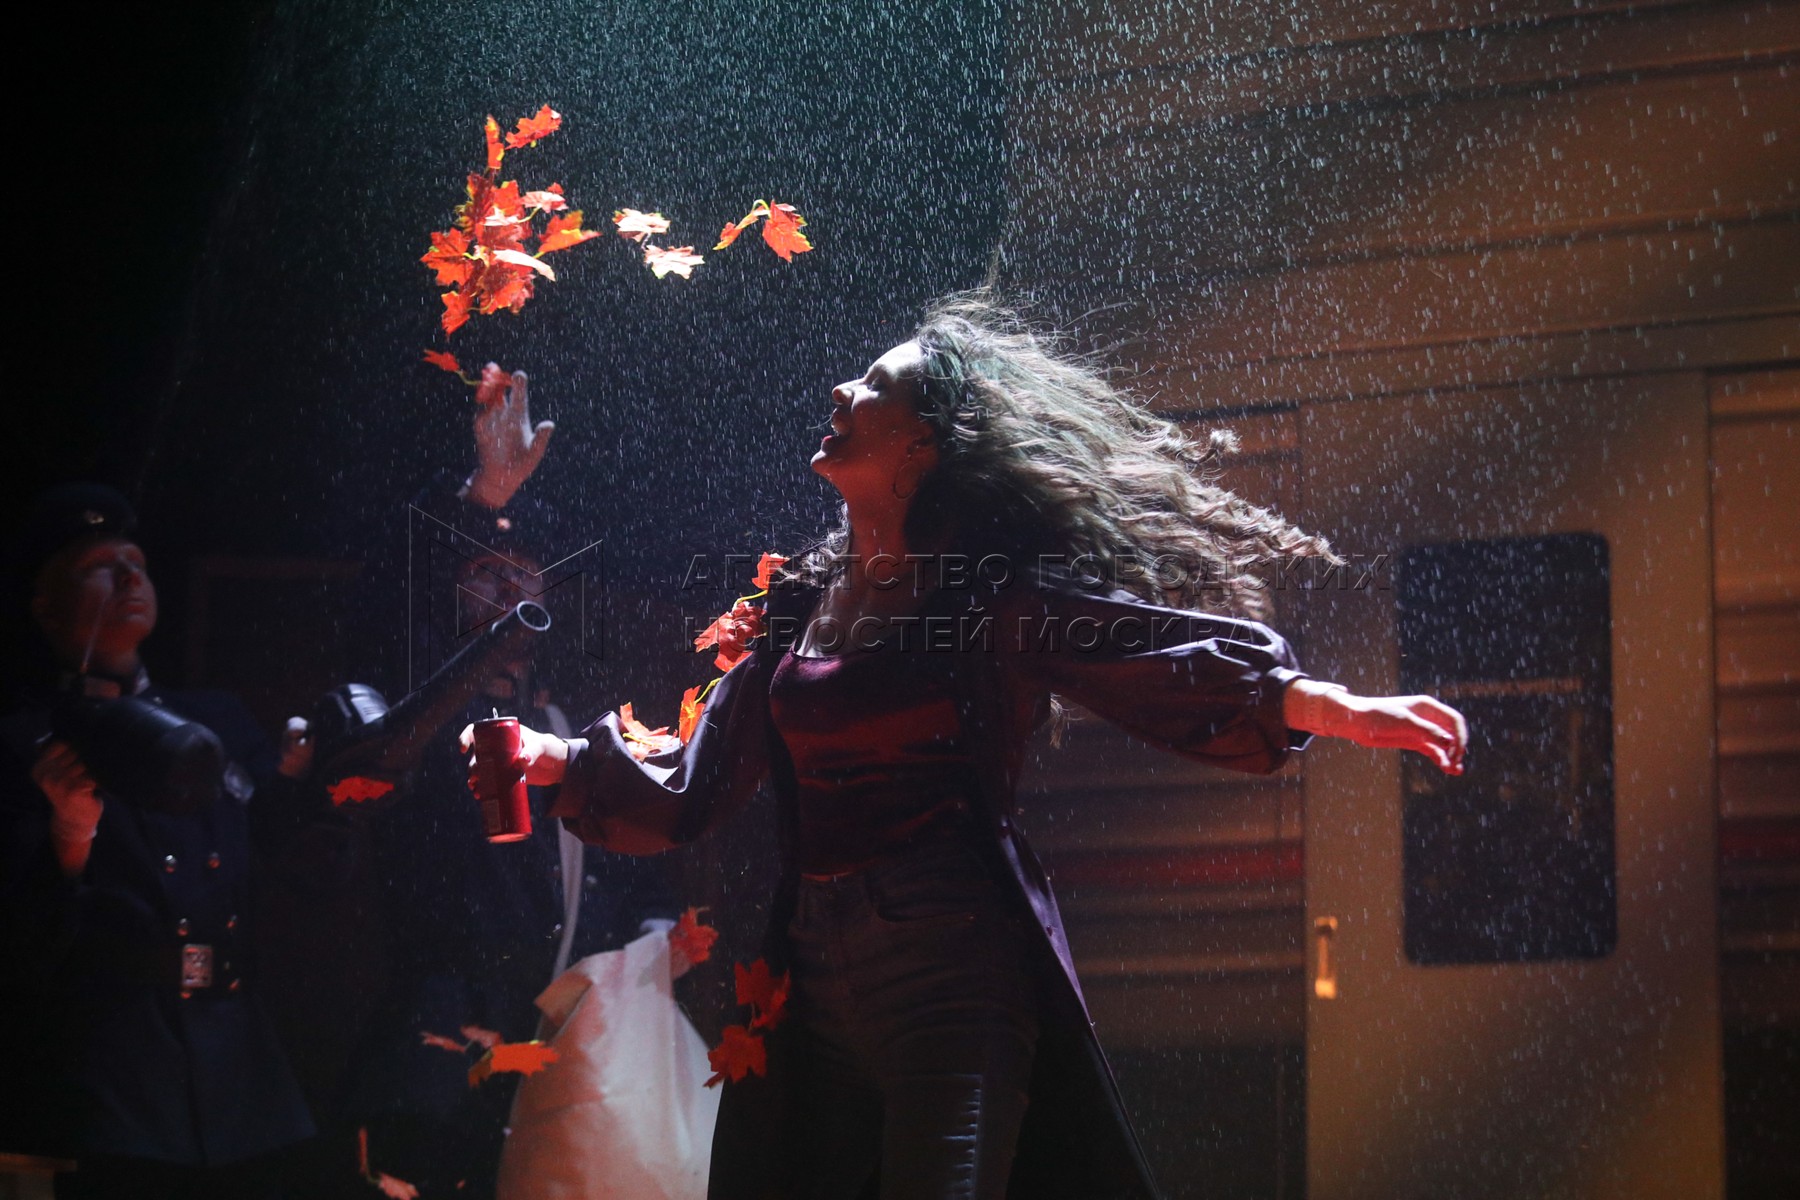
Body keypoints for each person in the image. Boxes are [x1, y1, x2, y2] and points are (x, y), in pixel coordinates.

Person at [463, 296, 1468, 1199]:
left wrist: (1325, 703)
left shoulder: (984, 598)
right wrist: (558, 763)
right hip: (812, 973)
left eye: (874, 386)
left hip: (947, 971)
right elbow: (703, 774)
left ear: (922, 447)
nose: (840, 390)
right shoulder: (800, 605)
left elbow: (1136, 649)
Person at [337, 369, 680, 1200]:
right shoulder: (409, 701)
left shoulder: (566, 715)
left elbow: (619, 851)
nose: (508, 587)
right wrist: (484, 494)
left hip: (557, 1027)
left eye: (522, 570)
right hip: (443, 1031)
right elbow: (389, 595)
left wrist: (654, 929)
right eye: (485, 569)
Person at [0, 483, 321, 1200]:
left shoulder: (214, 718)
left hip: (241, 1065)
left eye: (137, 563)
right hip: (109, 1073)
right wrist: (68, 831)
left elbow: (280, 854)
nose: (128, 578)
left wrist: (302, 778)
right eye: (99, 567)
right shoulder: (24, 742)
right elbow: (19, 944)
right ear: (45, 606)